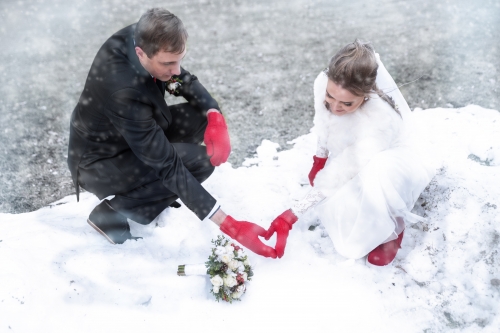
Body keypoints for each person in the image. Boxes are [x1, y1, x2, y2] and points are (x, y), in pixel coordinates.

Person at [67, 8, 276, 258]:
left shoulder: (142, 35)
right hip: (101, 162)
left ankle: (156, 192)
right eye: (168, 63)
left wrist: (214, 115)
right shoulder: (123, 91)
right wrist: (228, 224)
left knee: (200, 116)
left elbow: (180, 80)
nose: (176, 70)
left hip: (130, 134)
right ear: (140, 53)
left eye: (179, 60)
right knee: (198, 164)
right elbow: (167, 164)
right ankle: (111, 213)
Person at [264, 40, 434, 266]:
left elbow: (345, 170)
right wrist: (320, 158)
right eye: (331, 97)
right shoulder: (323, 82)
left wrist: (292, 214)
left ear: (365, 96)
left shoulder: (380, 122)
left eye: (346, 103)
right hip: (358, 152)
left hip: (391, 163)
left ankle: (393, 223)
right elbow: (324, 121)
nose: (335, 107)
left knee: (374, 179)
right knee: (344, 201)